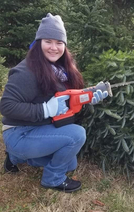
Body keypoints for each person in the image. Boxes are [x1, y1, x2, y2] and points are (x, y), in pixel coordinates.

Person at [0, 13, 108, 193]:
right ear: (38, 42)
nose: (53, 48)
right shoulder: (26, 71)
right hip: (19, 133)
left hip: (39, 128)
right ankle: (52, 179)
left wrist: (89, 96)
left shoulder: (60, 69)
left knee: (70, 163)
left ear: (64, 46)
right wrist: (45, 109)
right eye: (48, 41)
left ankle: (15, 157)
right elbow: (6, 106)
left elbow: (66, 97)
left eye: (59, 43)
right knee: (77, 134)